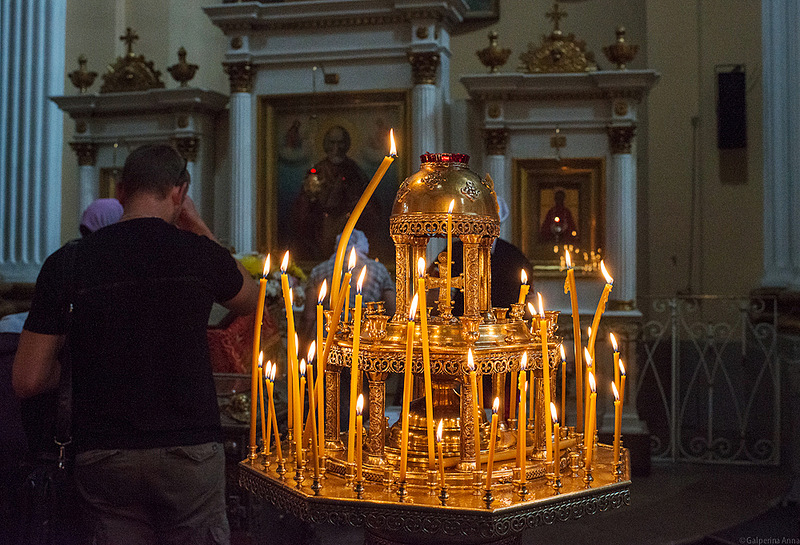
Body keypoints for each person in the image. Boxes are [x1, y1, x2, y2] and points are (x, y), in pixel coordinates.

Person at [12, 144, 259, 544]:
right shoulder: (197, 254)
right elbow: (251, 299)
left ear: (121, 190)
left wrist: (79, 361)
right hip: (189, 448)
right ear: (180, 192)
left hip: (104, 451)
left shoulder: (68, 262)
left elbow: (27, 379)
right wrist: (196, 225)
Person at [291, 125, 381, 262]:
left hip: (349, 225)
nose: (336, 148)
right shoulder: (318, 170)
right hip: (322, 226)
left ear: (347, 145)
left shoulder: (355, 171)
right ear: (326, 144)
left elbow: (369, 202)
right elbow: (304, 206)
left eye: (340, 143)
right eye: (332, 142)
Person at [300, 229, 395, 345]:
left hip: (328, 339)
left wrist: (302, 346)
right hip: (365, 338)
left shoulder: (319, 270)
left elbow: (308, 316)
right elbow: (392, 309)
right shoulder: (379, 270)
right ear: (364, 245)